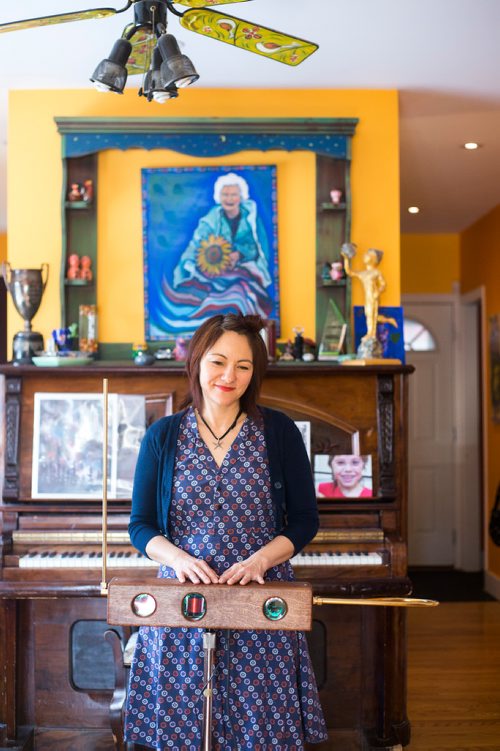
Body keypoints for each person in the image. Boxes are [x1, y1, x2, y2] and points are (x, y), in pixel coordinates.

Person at [125, 313, 328, 750]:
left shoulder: (279, 432)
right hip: (181, 604)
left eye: (244, 366)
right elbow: (140, 526)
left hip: (261, 600)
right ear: (197, 361)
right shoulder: (163, 436)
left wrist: (260, 560)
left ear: (255, 373)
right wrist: (179, 558)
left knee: (260, 729)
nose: (229, 376)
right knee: (186, 726)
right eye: (218, 362)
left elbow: (305, 520)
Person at [155, 173, 275, 335]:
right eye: (225, 194)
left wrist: (239, 254)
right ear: (219, 196)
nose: (229, 198)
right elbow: (197, 243)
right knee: (197, 292)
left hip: (244, 268)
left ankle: (243, 332)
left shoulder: (251, 219)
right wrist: (191, 263)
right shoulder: (211, 219)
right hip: (215, 269)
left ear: (241, 197)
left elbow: (258, 246)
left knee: (243, 292)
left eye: (233, 194)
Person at [341, 245, 386, 342]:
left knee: (372, 314)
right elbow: (349, 272)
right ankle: (370, 333)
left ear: (374, 260)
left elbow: (383, 284)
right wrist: (346, 259)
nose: (365, 255)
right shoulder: (363, 273)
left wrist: (377, 292)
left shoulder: (376, 272)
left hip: (373, 296)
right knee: (368, 313)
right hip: (367, 297)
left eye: (369, 255)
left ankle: (372, 334)